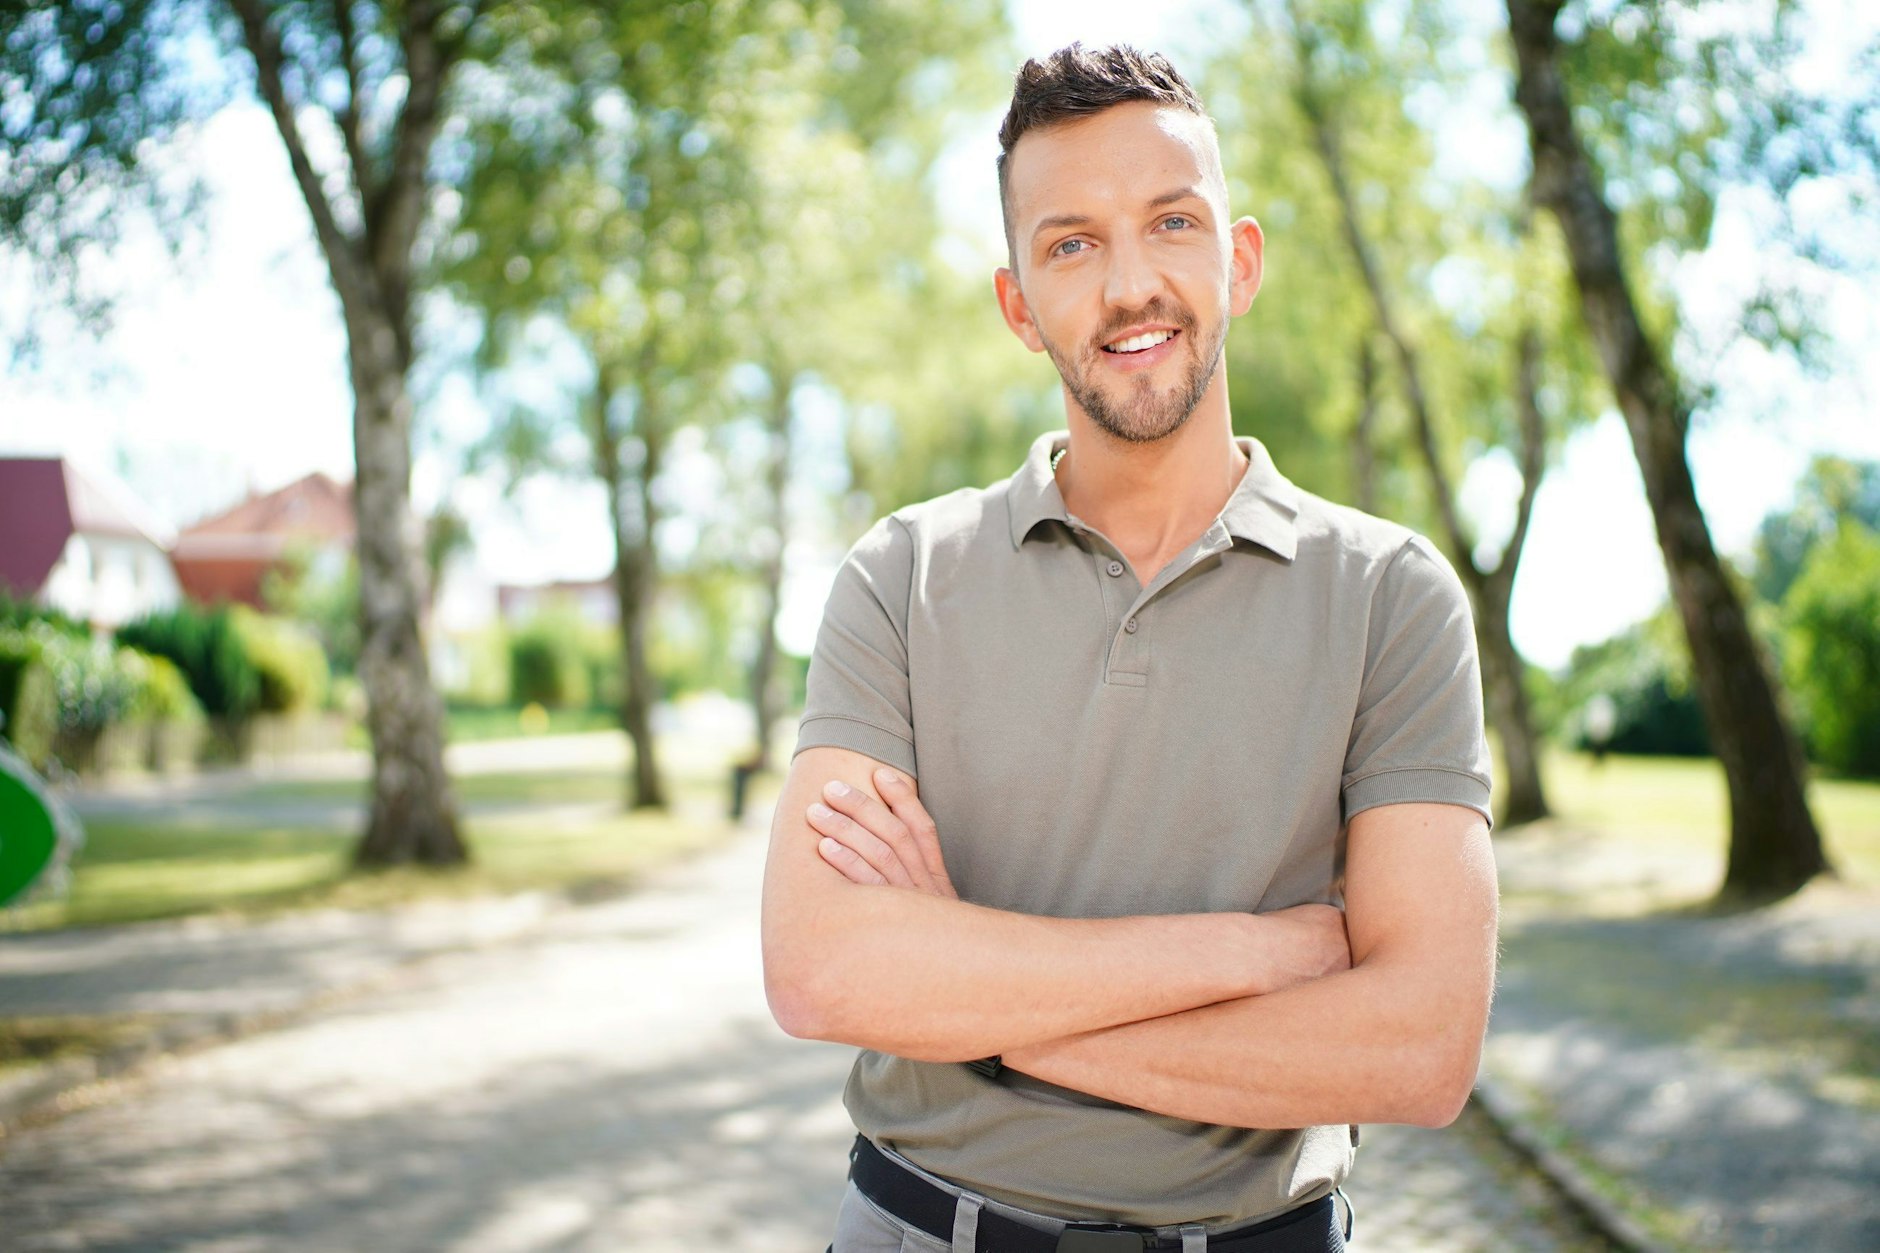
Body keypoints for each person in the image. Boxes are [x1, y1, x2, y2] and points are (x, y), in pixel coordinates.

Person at [761, 43, 1498, 1253]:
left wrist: (980, 1006)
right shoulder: (898, 575)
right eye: (1070, 244)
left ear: (1237, 259)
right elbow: (822, 969)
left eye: (1170, 222)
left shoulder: (1391, 598)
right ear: (1017, 306)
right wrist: (1256, 953)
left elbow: (1418, 1047)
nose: (1128, 283)